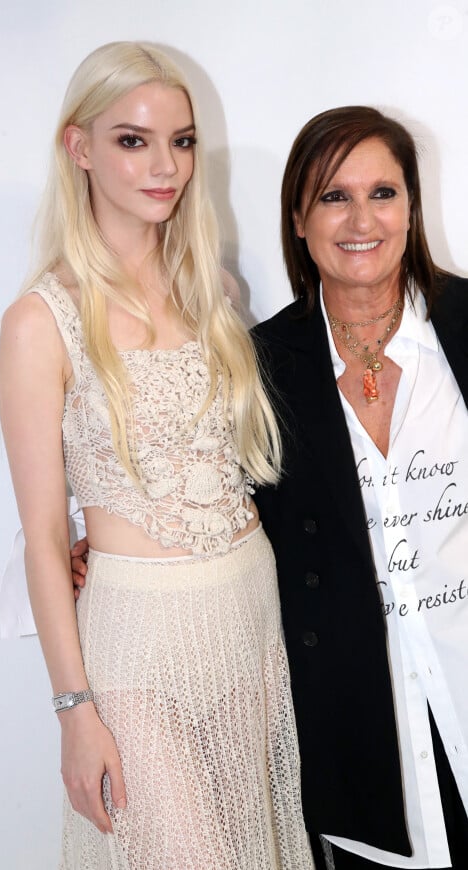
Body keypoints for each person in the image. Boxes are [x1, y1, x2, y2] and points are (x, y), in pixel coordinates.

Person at [0, 42, 313, 869]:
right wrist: (74, 710)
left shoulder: (216, 292)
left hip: (246, 611)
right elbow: (39, 536)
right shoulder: (41, 321)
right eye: (133, 139)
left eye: (181, 140)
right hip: (134, 645)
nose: (164, 164)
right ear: (81, 148)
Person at [251, 107, 468, 868]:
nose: (361, 219)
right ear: (299, 218)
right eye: (333, 196)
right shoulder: (256, 368)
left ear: (412, 207)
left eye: (383, 193)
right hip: (357, 740)